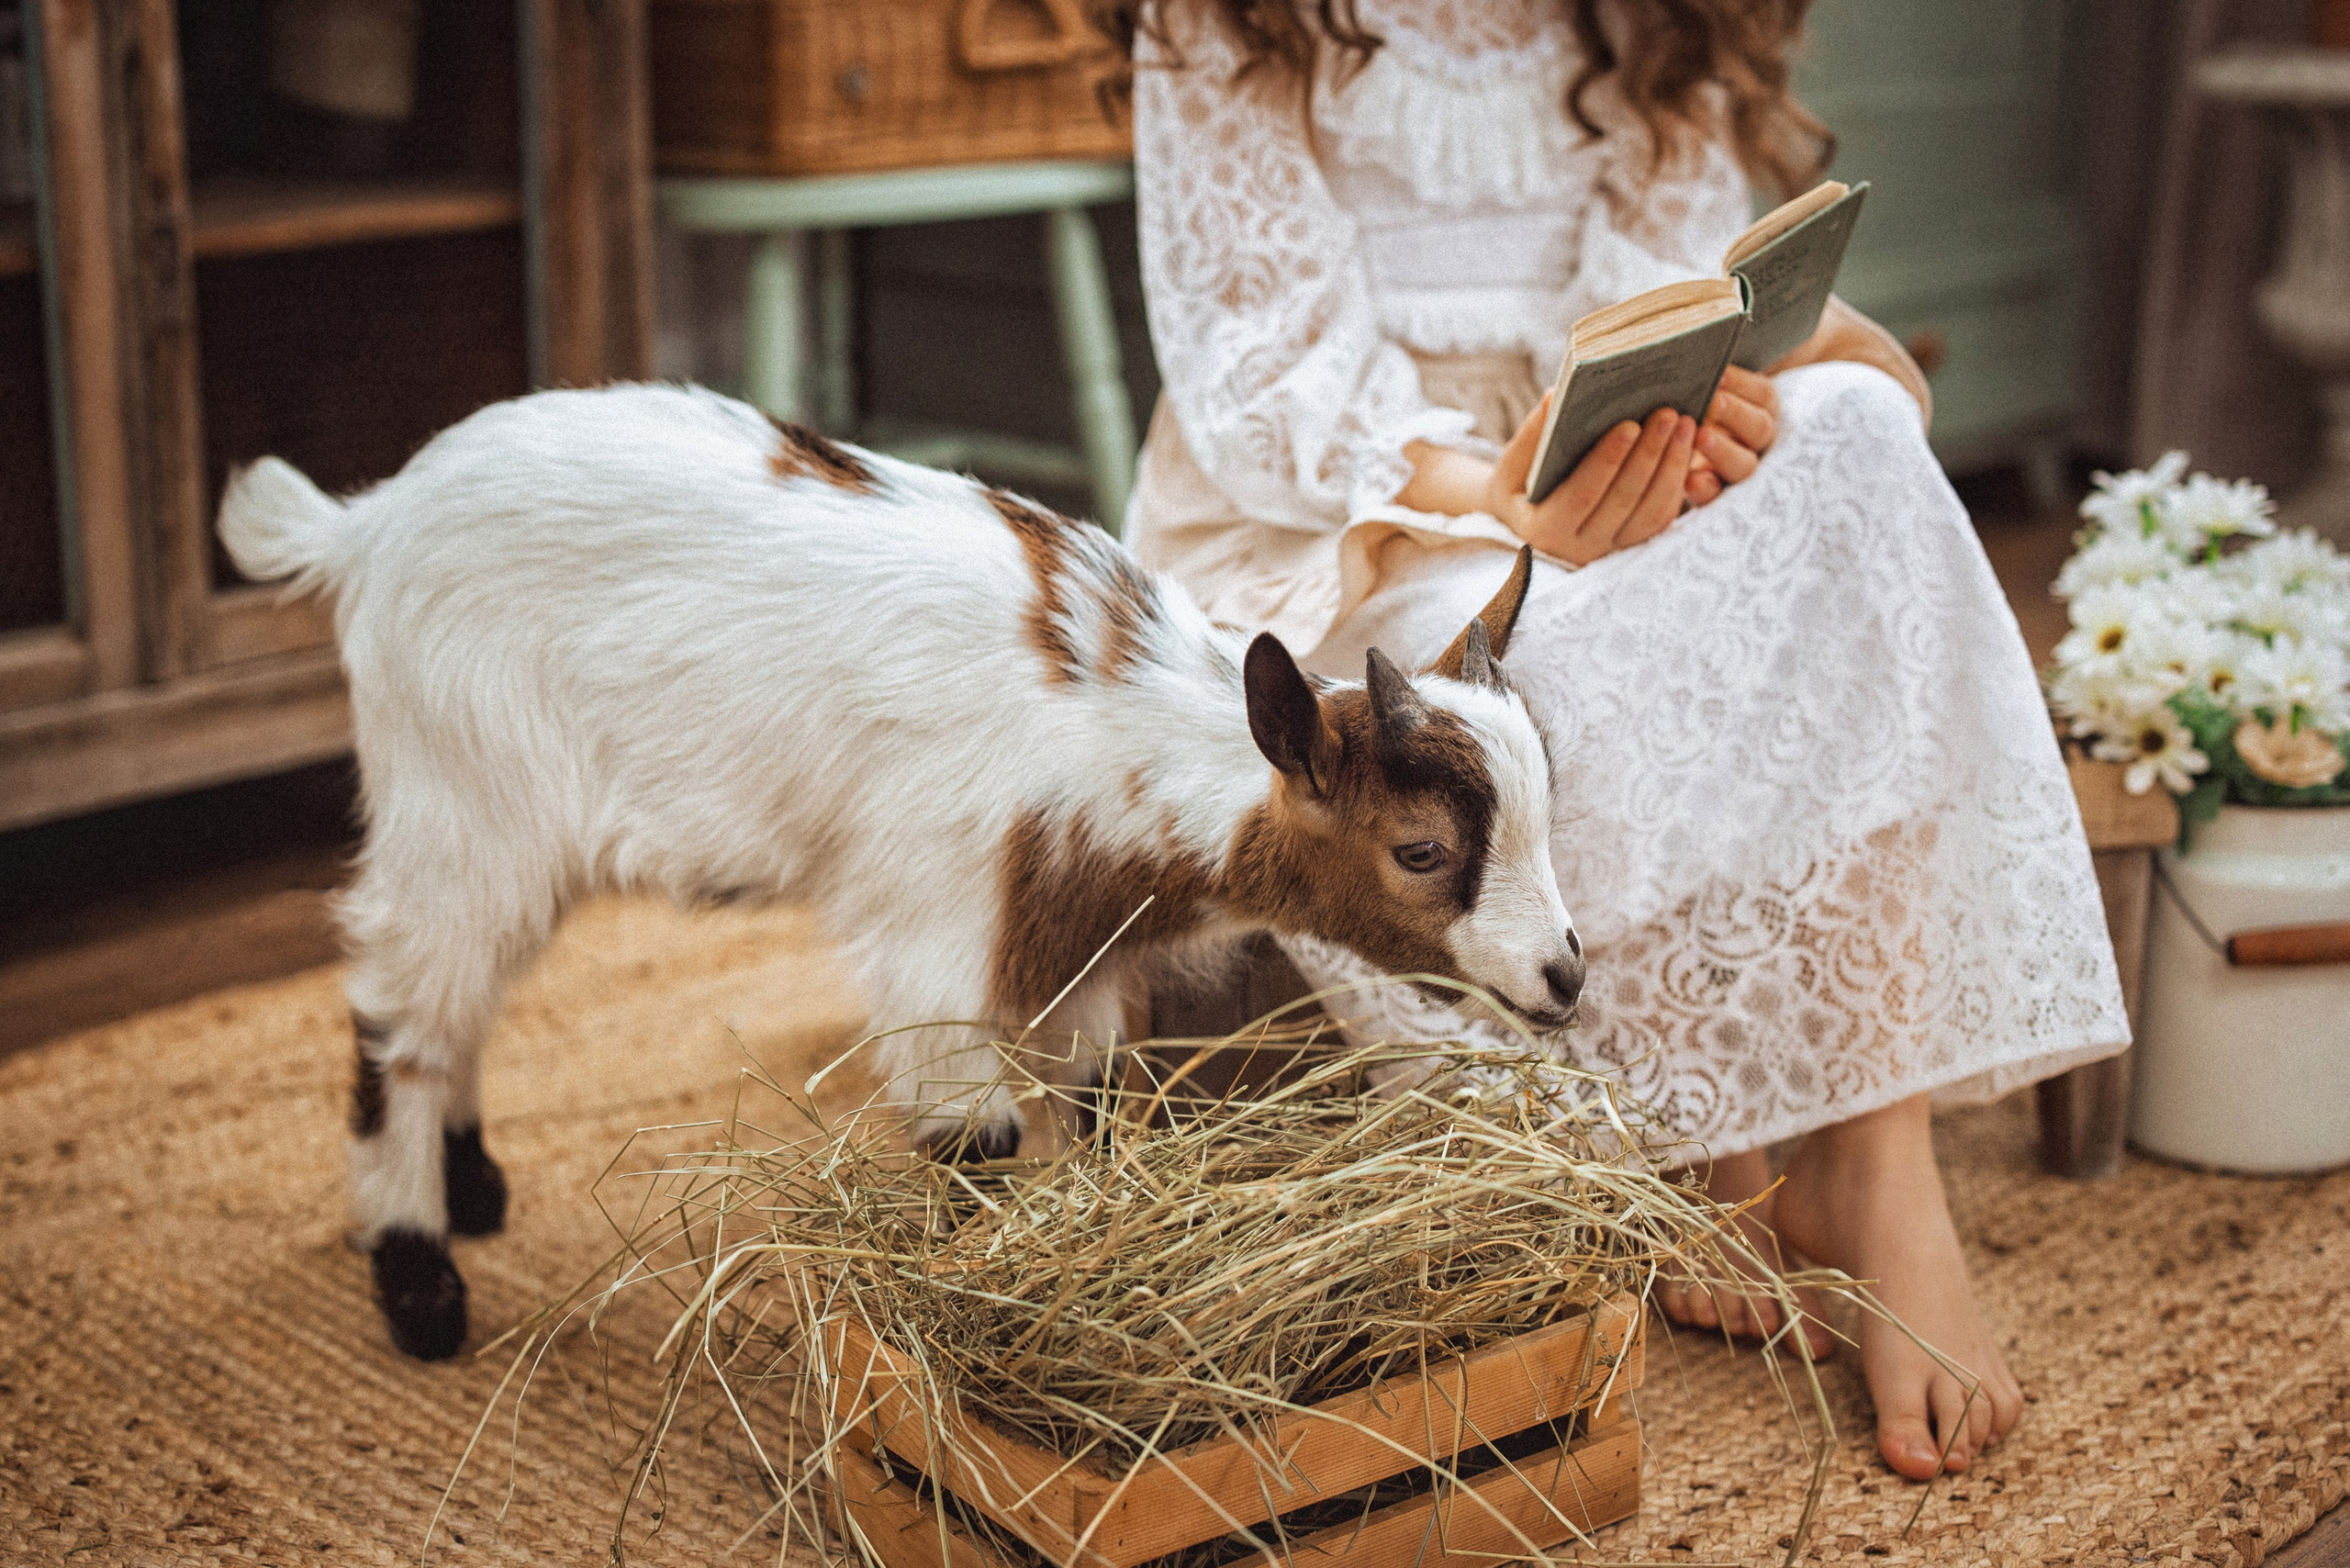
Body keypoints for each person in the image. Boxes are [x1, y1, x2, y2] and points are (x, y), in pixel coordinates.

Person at [1107, 0, 2131, 1481]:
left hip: (1587, 465)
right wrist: (1505, 497)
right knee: (1515, 681)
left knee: (1853, 425)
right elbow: (1265, 378)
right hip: (1355, 523)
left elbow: (1667, 305)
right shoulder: (1226, 19)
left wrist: (1697, 433)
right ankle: (1702, 1133)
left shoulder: (1655, 16)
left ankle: (1873, 1149)